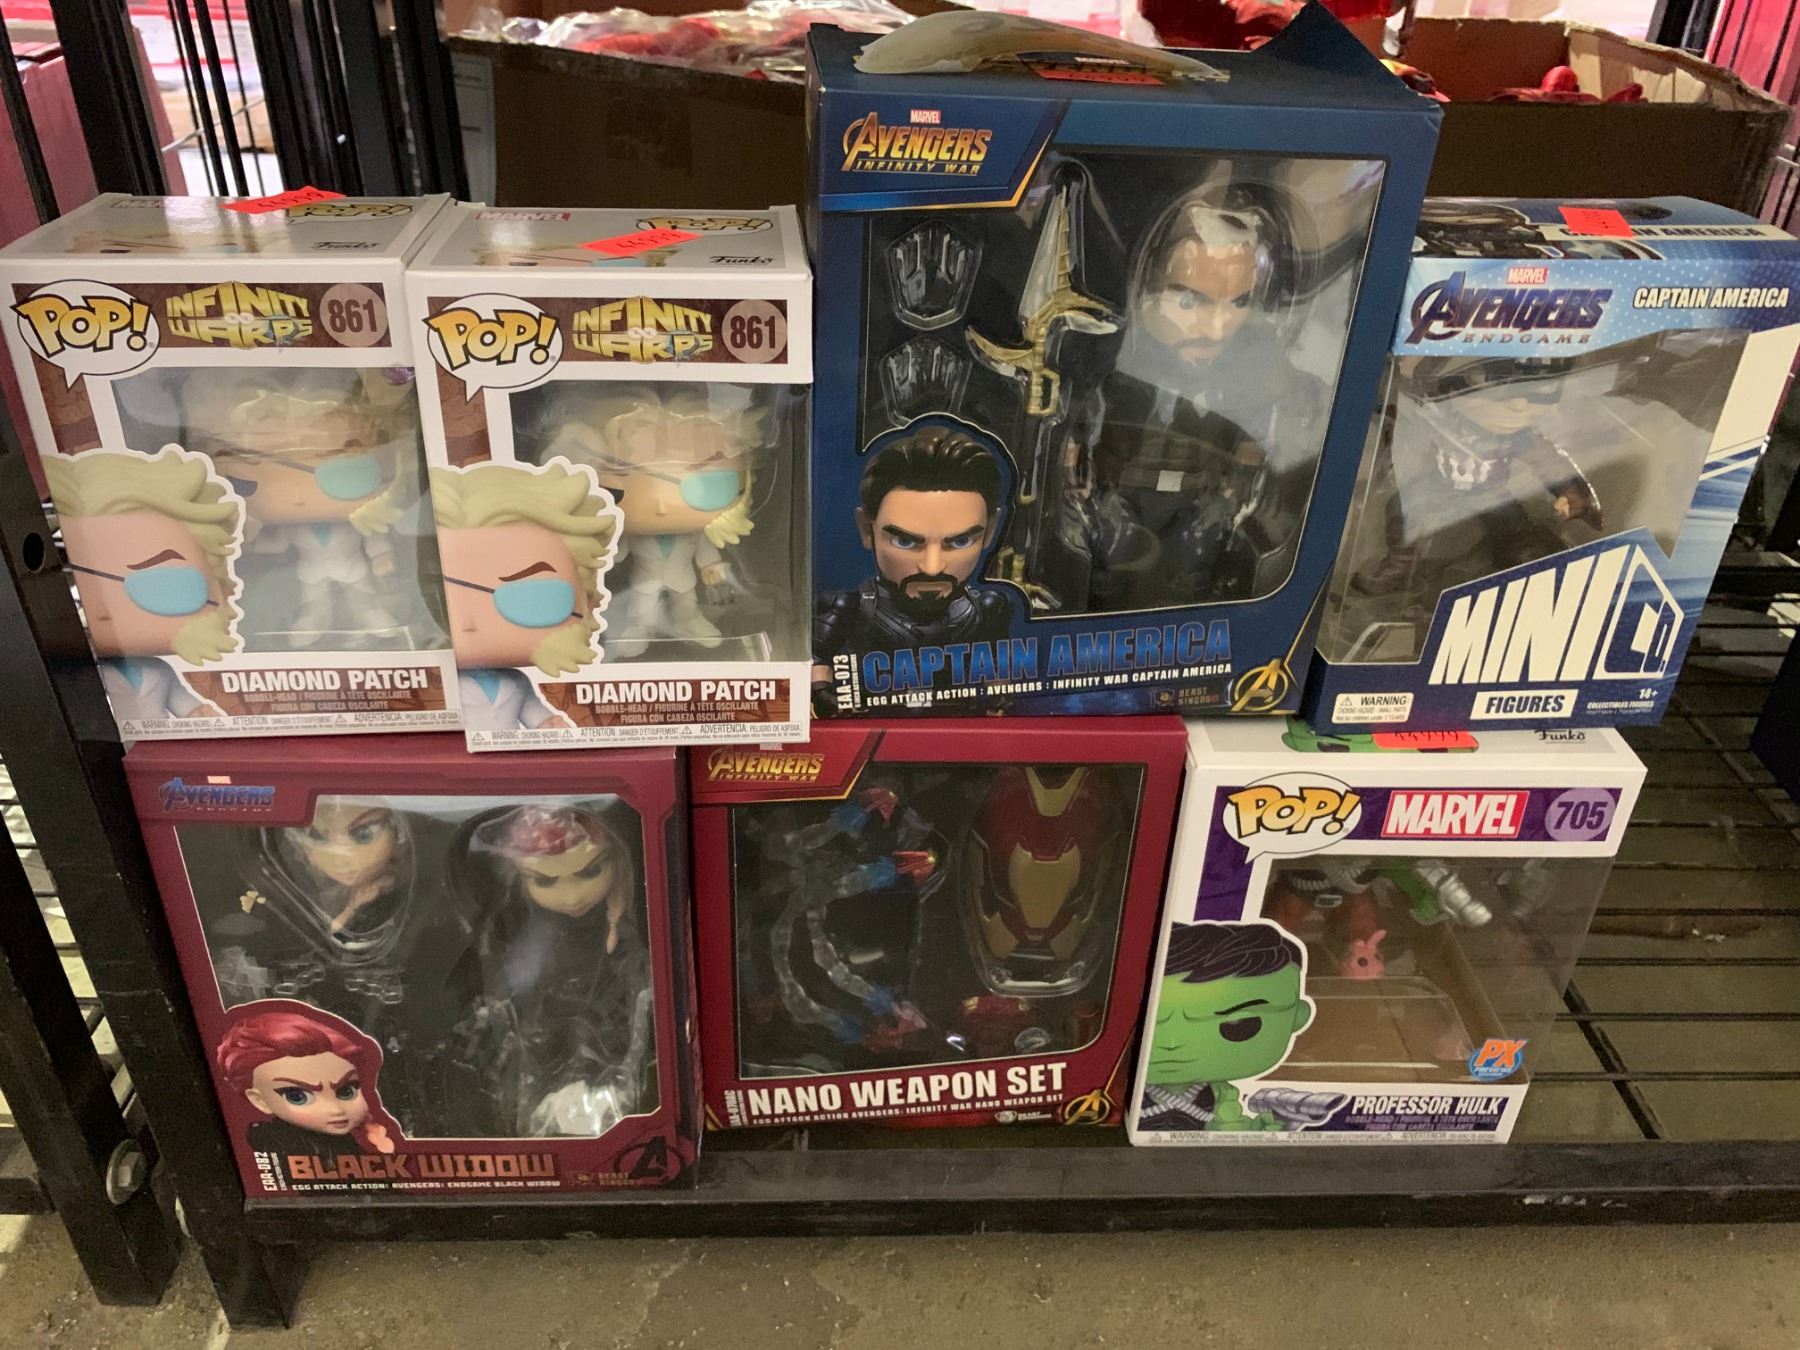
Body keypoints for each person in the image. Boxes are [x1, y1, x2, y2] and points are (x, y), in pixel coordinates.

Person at [541, 383, 763, 659]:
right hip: (644, 581)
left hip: (684, 579)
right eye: (614, 489)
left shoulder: (696, 535)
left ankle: (689, 622)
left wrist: (713, 571)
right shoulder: (629, 534)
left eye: (707, 485)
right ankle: (639, 629)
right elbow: (614, 553)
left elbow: (706, 554)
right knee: (642, 608)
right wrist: (594, 564)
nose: (661, 504)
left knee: (687, 603)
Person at [45, 446, 241, 722]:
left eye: (163, 584)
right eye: (77, 584)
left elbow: (185, 705)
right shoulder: (77, 674)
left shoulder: (159, 672)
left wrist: (200, 714)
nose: (104, 610)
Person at [813, 423, 1011, 685]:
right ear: (866, 529)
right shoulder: (848, 610)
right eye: (905, 541)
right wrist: (822, 691)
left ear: (990, 531)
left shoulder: (985, 612)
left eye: (960, 541)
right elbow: (815, 667)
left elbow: (1002, 680)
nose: (932, 567)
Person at [431, 461, 618, 732]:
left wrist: (549, 724)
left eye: (529, 598)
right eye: (439, 599)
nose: (468, 623)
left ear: (588, 602)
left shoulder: (517, 683)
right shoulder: (439, 683)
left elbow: (534, 714)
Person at [1140, 921, 1337, 1133]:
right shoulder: (1123, 1089)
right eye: (1148, 1023)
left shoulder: (1220, 1095)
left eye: (1237, 1025)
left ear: (1298, 1016)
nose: (1172, 1044)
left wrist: (1260, 1130)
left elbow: (1232, 1127)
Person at [214, 1004, 396, 1162]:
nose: (335, 1110)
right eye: (297, 1096)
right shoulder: (273, 1141)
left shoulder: (351, 1138)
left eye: (346, 1091)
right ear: (260, 1101)